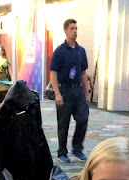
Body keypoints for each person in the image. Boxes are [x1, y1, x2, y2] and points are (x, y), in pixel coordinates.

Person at [49, 19, 90, 163]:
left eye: (76, 28)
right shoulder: (59, 52)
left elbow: (83, 73)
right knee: (63, 123)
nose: (75, 31)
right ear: (65, 30)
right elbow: (53, 73)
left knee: (83, 119)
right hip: (64, 91)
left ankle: (77, 149)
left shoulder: (81, 51)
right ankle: (62, 152)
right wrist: (57, 93)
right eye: (72, 28)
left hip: (78, 91)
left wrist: (87, 92)